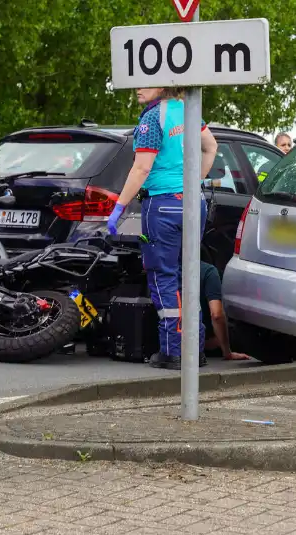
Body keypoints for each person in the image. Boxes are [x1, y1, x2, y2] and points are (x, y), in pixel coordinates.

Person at [107, 86, 218, 370]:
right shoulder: (189, 110)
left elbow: (142, 168)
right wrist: (193, 182)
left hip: (163, 205)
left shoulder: (152, 118)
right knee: (188, 273)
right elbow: (211, 146)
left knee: (163, 276)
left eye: (145, 81)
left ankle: (172, 351)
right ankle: (195, 348)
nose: (136, 88)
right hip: (194, 203)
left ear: (163, 84)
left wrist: (119, 206)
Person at [200, 261, 249, 361]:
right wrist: (227, 352)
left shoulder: (164, 273)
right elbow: (216, 314)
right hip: (205, 342)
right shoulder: (208, 271)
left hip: (172, 343)